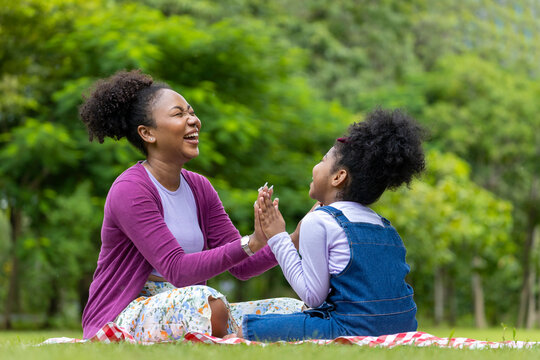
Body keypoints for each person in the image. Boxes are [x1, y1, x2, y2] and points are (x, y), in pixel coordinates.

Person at [79, 70, 303, 341]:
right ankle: (234, 336)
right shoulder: (131, 189)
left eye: (192, 113)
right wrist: (252, 242)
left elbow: (243, 268)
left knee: (292, 310)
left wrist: (295, 238)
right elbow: (178, 269)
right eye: (179, 114)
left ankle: (233, 336)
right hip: (128, 312)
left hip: (190, 303)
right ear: (147, 133)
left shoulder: (199, 187)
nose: (194, 121)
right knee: (208, 303)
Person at [238, 108, 425, 341]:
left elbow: (312, 296)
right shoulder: (385, 225)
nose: (316, 166)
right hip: (404, 328)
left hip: (353, 330)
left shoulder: (319, 221)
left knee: (246, 328)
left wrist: (278, 237)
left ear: (338, 177)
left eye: (323, 160)